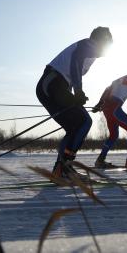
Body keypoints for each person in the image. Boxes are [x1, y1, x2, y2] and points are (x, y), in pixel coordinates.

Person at [36, 26, 113, 178]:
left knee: (75, 127)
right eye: (108, 43)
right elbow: (75, 65)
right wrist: (78, 92)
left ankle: (61, 170)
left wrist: (75, 96)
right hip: (52, 83)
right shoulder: (88, 45)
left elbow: (72, 72)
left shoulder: (90, 52)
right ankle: (65, 169)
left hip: (54, 85)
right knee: (83, 121)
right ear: (101, 41)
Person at [92, 62, 127, 170]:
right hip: (114, 108)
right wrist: (102, 102)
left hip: (108, 109)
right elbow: (113, 84)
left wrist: (100, 103)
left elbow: (111, 85)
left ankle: (100, 160)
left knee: (113, 136)